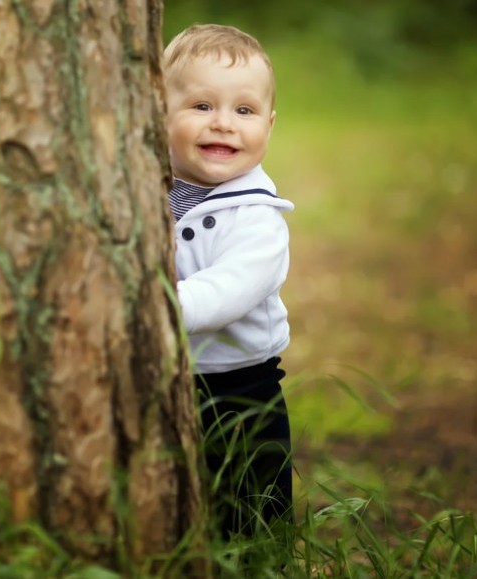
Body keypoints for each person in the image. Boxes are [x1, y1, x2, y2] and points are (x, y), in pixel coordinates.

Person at [163, 23, 294, 538]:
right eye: (201, 106)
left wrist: (158, 309)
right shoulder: (144, 186)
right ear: (156, 110)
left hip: (241, 390)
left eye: (244, 110)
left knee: (249, 509)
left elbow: (230, 289)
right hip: (165, 381)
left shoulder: (258, 220)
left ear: (269, 124)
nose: (223, 124)